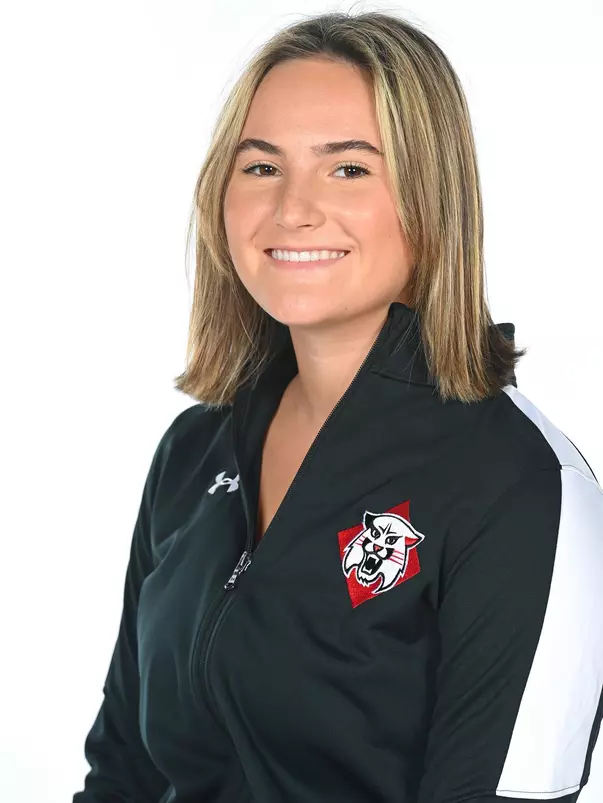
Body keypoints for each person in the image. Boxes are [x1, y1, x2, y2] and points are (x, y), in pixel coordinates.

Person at [73, 10, 603, 803]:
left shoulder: (522, 486)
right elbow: (123, 774)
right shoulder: (193, 452)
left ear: (429, 198)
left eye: (348, 168)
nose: (292, 209)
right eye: (261, 167)